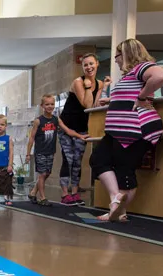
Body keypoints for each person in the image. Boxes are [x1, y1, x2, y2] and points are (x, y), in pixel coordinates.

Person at [90, 39, 163, 222]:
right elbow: (131, 94)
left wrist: (141, 97)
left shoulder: (142, 67)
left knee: (125, 171)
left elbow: (160, 76)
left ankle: (119, 211)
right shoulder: (130, 74)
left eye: (117, 56)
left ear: (126, 54)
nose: (116, 60)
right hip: (118, 130)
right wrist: (112, 100)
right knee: (98, 159)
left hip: (134, 129)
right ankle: (117, 200)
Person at [58, 53, 111, 205]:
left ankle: (74, 193)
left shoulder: (99, 83)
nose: (89, 67)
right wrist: (88, 86)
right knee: (67, 159)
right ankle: (64, 194)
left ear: (97, 64)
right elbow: (86, 104)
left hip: (82, 127)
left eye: (91, 64)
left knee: (78, 160)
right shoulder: (78, 82)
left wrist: (104, 87)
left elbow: (94, 107)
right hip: (66, 126)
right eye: (85, 65)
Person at [27, 94, 85, 206]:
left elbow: (67, 130)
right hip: (40, 152)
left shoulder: (56, 119)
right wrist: (28, 154)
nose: (50, 106)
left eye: (52, 104)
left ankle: (33, 192)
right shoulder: (38, 121)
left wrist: (80, 136)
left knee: (47, 174)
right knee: (42, 174)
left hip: (50, 151)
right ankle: (43, 198)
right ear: (42, 106)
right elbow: (32, 138)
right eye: (47, 104)